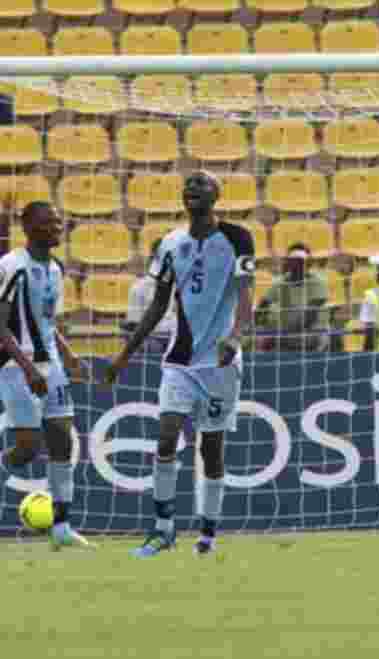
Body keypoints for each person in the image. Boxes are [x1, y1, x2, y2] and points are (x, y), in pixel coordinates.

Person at [104, 171, 256, 557]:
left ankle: (207, 532)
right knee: (167, 436)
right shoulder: (171, 244)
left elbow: (245, 296)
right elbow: (158, 304)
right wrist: (125, 354)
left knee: (212, 449)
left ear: (217, 195)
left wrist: (236, 337)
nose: (193, 190)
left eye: (202, 185)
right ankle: (163, 528)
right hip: (179, 360)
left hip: (221, 364)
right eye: (189, 185)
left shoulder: (238, 238)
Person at [0, 201, 91, 549]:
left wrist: (68, 357)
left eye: (58, 221)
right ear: (28, 227)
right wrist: (27, 369)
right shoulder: (11, 267)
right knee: (26, 449)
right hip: (13, 366)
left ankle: (62, 528)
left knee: (62, 443)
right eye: (49, 222)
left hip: (50, 366)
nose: (57, 227)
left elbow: (48, 323)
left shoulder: (55, 268)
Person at [255, 243, 329, 353]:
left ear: (308, 263)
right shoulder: (281, 282)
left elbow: (308, 319)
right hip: (286, 335)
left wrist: (277, 336)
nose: (297, 264)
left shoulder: (317, 282)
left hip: (311, 335)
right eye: (294, 260)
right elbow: (262, 307)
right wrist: (259, 327)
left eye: (301, 261)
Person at [124, 239, 177, 354]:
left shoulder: (179, 286)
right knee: (153, 348)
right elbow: (132, 324)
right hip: (151, 338)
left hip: (174, 336)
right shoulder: (139, 288)